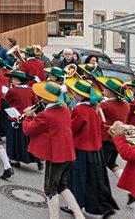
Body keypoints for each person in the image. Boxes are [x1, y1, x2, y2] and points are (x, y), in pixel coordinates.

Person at [22, 80, 85, 219]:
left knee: (50, 190)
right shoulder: (65, 109)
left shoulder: (47, 114)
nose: (41, 99)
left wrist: (27, 117)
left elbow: (28, 130)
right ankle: (79, 215)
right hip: (68, 153)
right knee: (62, 186)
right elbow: (51, 124)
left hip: (55, 156)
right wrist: (35, 117)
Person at [65, 77, 118, 217]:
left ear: (81, 95)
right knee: (95, 179)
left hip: (81, 148)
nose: (74, 95)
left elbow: (73, 128)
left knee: (77, 178)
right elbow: (101, 126)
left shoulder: (80, 109)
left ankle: (74, 206)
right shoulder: (95, 108)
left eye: (75, 93)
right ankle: (104, 206)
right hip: (96, 148)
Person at [95, 76, 132, 180]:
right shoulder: (126, 104)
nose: (103, 90)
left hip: (106, 139)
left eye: (105, 89)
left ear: (111, 93)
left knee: (100, 166)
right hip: (118, 138)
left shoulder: (105, 105)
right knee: (111, 163)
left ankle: (101, 188)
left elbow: (97, 119)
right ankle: (125, 179)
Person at [3, 70, 41, 170]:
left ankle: (14, 159)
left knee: (13, 139)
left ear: (17, 79)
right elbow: (36, 102)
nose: (11, 80)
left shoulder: (13, 90)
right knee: (26, 140)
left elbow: (6, 99)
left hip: (14, 117)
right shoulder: (31, 89)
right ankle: (36, 158)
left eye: (13, 78)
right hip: (27, 117)